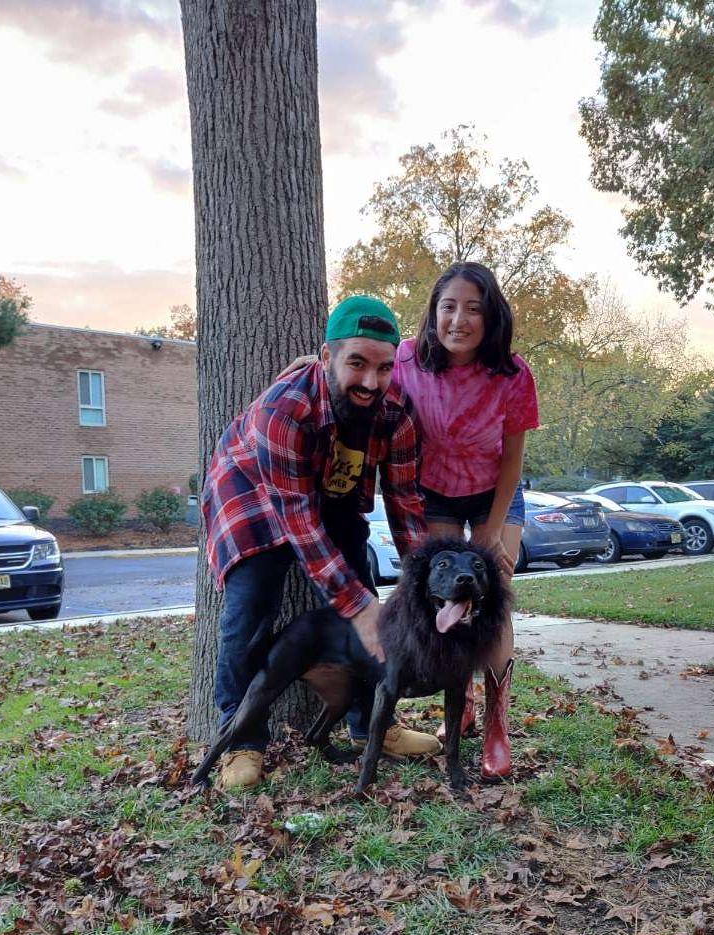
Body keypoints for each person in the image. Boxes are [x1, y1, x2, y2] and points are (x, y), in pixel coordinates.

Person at [278, 263, 539, 779]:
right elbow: (360, 364)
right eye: (448, 307)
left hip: (496, 495)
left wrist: (491, 528)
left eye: (472, 308)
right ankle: (458, 703)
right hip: (434, 495)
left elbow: (513, 455)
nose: (458, 320)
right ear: (433, 313)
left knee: (493, 605)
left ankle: (495, 726)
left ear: (491, 316)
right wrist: (314, 361)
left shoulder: (513, 373)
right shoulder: (408, 360)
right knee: (446, 601)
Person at [202, 295, 440, 790]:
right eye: (356, 363)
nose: (370, 382)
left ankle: (370, 725)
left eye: (383, 367)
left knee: (359, 580)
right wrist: (361, 609)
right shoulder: (284, 408)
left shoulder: (395, 412)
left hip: (329, 487)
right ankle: (240, 740)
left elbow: (405, 507)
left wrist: (422, 588)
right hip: (251, 491)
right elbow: (298, 523)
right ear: (327, 356)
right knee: (250, 609)